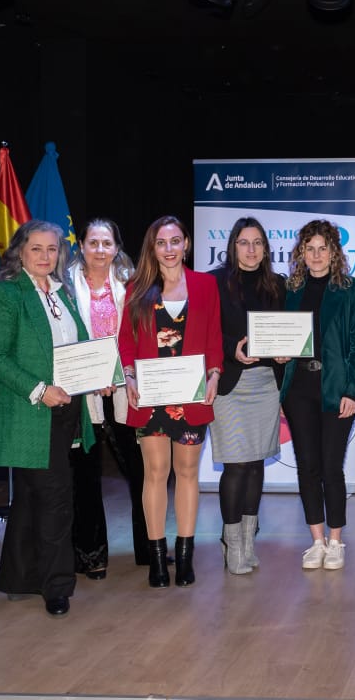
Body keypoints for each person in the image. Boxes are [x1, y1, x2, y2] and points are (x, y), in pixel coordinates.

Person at [0, 219, 95, 617]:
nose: (46, 256)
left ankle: (20, 577)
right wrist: (39, 390)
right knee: (56, 498)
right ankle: (57, 585)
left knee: (31, 498)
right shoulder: (5, 294)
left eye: (52, 249)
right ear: (19, 252)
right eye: (36, 249)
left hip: (65, 410)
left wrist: (100, 377)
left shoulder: (64, 294)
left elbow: (78, 349)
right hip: (28, 411)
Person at [119, 215, 222, 589]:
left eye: (175, 241)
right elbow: (126, 341)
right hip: (151, 396)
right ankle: (157, 558)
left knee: (188, 472)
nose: (169, 249)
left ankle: (185, 555)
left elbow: (214, 337)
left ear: (186, 244)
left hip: (192, 396)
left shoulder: (205, 285)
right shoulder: (137, 287)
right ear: (153, 248)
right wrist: (128, 375)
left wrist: (214, 373)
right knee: (156, 473)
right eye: (161, 243)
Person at [278, 219, 355, 572]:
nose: (316, 255)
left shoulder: (352, 289)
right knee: (307, 467)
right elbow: (277, 339)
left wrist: (353, 390)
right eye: (310, 248)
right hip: (298, 390)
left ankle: (336, 540)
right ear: (301, 252)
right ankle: (316, 541)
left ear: (334, 252)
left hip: (336, 391)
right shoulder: (289, 289)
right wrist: (281, 353)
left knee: (332, 467)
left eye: (323, 248)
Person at [64, 218, 142, 579]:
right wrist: (90, 376)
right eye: (93, 243)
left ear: (116, 247)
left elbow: (140, 336)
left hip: (127, 389)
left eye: (106, 243)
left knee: (141, 471)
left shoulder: (133, 286)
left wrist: (120, 373)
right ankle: (90, 554)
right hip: (82, 392)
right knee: (85, 474)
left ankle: (149, 547)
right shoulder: (63, 286)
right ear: (81, 245)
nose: (99, 250)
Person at [211, 216, 287, 574]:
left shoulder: (279, 285)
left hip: (266, 385)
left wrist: (287, 350)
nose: (252, 249)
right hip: (230, 383)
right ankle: (231, 541)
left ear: (266, 248)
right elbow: (207, 333)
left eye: (258, 242)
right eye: (244, 242)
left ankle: (248, 540)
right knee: (236, 465)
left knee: (256, 463)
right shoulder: (214, 283)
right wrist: (232, 349)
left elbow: (288, 331)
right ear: (233, 246)